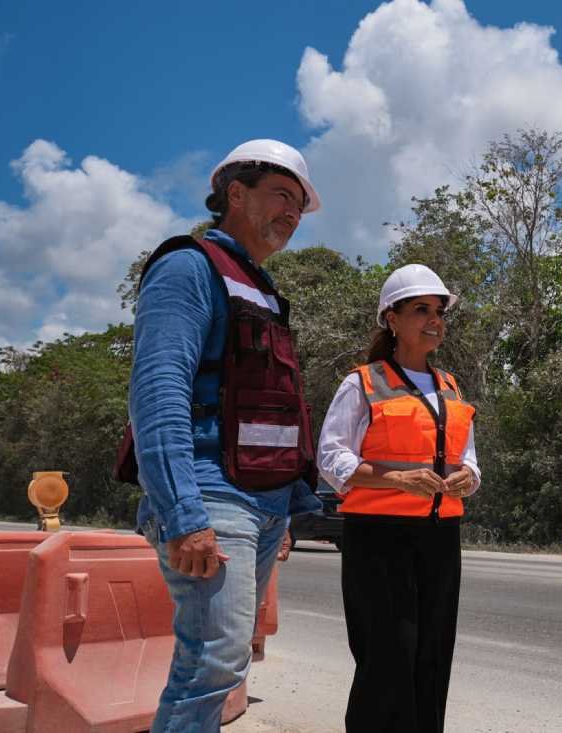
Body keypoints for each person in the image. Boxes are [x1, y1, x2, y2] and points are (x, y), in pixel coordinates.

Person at [121, 139, 323, 731]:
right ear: (235, 193)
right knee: (212, 663)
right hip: (211, 496)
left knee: (226, 664)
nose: (292, 212)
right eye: (281, 196)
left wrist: (288, 505)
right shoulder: (188, 266)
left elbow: (276, 410)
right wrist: (182, 512)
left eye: (300, 204)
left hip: (261, 502)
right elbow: (158, 393)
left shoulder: (259, 287)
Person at [318, 264, 481, 733]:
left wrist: (467, 477)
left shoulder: (449, 386)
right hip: (379, 541)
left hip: (439, 538)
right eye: (421, 310)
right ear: (391, 319)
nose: (434, 320)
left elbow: (467, 457)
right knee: (387, 658)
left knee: (432, 655)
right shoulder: (362, 383)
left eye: (438, 312)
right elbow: (331, 460)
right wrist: (398, 480)